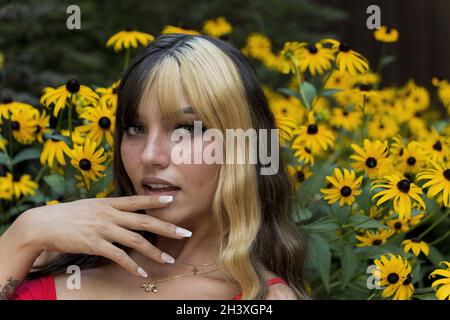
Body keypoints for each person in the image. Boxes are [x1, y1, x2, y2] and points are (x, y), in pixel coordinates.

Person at [0, 34, 308, 300]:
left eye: (186, 129)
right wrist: (25, 233)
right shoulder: (48, 253)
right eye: (135, 127)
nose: (150, 155)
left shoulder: (261, 297)